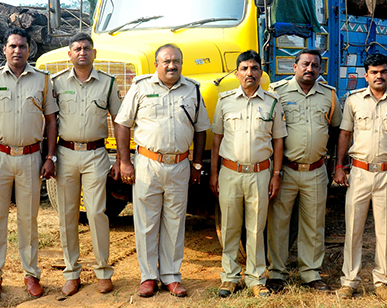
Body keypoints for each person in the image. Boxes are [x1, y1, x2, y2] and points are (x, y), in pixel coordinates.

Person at [113, 44, 210, 298]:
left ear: (181, 63)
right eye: (166, 61)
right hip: (147, 164)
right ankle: (148, 277)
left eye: (176, 61)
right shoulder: (141, 87)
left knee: (175, 222)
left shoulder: (193, 90)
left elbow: (201, 130)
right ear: (156, 64)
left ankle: (171, 276)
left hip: (179, 165)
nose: (171, 65)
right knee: (146, 223)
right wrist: (125, 161)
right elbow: (122, 124)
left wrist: (197, 164)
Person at [0, 28, 59, 301]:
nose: (17, 50)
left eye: (22, 46)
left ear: (29, 50)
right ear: (5, 50)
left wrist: (50, 157)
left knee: (28, 220)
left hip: (32, 157)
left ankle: (31, 274)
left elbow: (52, 121)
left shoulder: (43, 81)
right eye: (12, 46)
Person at [333, 52, 387, 302]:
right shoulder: (354, 100)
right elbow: (345, 134)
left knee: (385, 231)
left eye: (383, 71)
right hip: (359, 173)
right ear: (365, 75)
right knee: (353, 230)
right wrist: (339, 166)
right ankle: (349, 281)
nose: (379, 76)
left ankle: (384, 282)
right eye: (374, 72)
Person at [210, 50, 287, 299]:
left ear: (261, 73)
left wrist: (276, 174)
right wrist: (213, 173)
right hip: (230, 173)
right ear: (237, 73)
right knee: (230, 227)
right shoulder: (225, 100)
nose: (249, 73)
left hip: (260, 174)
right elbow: (216, 141)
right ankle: (230, 278)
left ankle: (256, 278)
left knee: (256, 228)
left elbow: (278, 142)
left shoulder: (272, 102)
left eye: (254, 68)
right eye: (244, 68)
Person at [266, 49, 342, 293]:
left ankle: (310, 272)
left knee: (314, 222)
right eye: (305, 64)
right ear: (294, 67)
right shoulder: (277, 93)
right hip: (286, 170)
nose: (310, 69)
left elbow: (336, 130)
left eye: (315, 66)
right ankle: (277, 272)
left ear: (320, 70)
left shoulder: (329, 95)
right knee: (279, 222)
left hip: (316, 171)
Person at [53, 33, 122, 296]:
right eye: (77, 48)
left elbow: (118, 120)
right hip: (66, 152)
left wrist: (119, 158)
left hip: (96, 154)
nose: (82, 52)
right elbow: (50, 121)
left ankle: (103, 271)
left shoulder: (106, 83)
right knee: (67, 215)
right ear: (69, 54)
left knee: (96, 213)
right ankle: (72, 273)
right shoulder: (58, 83)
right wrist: (49, 156)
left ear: (95, 53)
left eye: (87, 48)